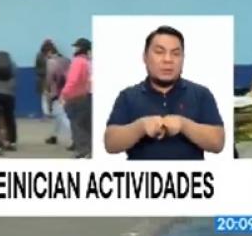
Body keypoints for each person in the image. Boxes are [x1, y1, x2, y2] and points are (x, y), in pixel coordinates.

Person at [104, 26, 225, 160]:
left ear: (183, 58)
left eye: (175, 53)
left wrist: (184, 125)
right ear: (145, 57)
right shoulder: (128, 96)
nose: (168, 59)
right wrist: (140, 127)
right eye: (159, 52)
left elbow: (218, 143)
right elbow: (110, 144)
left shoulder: (201, 94)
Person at [61, 37, 93, 159]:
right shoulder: (87, 62)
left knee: (77, 125)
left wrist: (64, 94)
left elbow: (73, 81)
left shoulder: (77, 62)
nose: (74, 49)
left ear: (80, 48)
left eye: (76, 47)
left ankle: (82, 151)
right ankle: (89, 150)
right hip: (85, 96)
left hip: (74, 97)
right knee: (86, 125)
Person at [44, 47, 72, 148]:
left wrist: (47, 89)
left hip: (58, 91)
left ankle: (75, 137)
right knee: (58, 115)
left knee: (61, 115)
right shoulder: (67, 60)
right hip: (69, 90)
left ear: (49, 52)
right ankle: (54, 135)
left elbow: (50, 77)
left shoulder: (51, 62)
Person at [35, 40, 56, 118]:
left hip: (43, 79)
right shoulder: (54, 55)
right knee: (49, 96)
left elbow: (37, 68)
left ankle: (47, 113)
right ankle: (49, 112)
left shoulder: (39, 56)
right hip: (46, 79)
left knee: (45, 97)